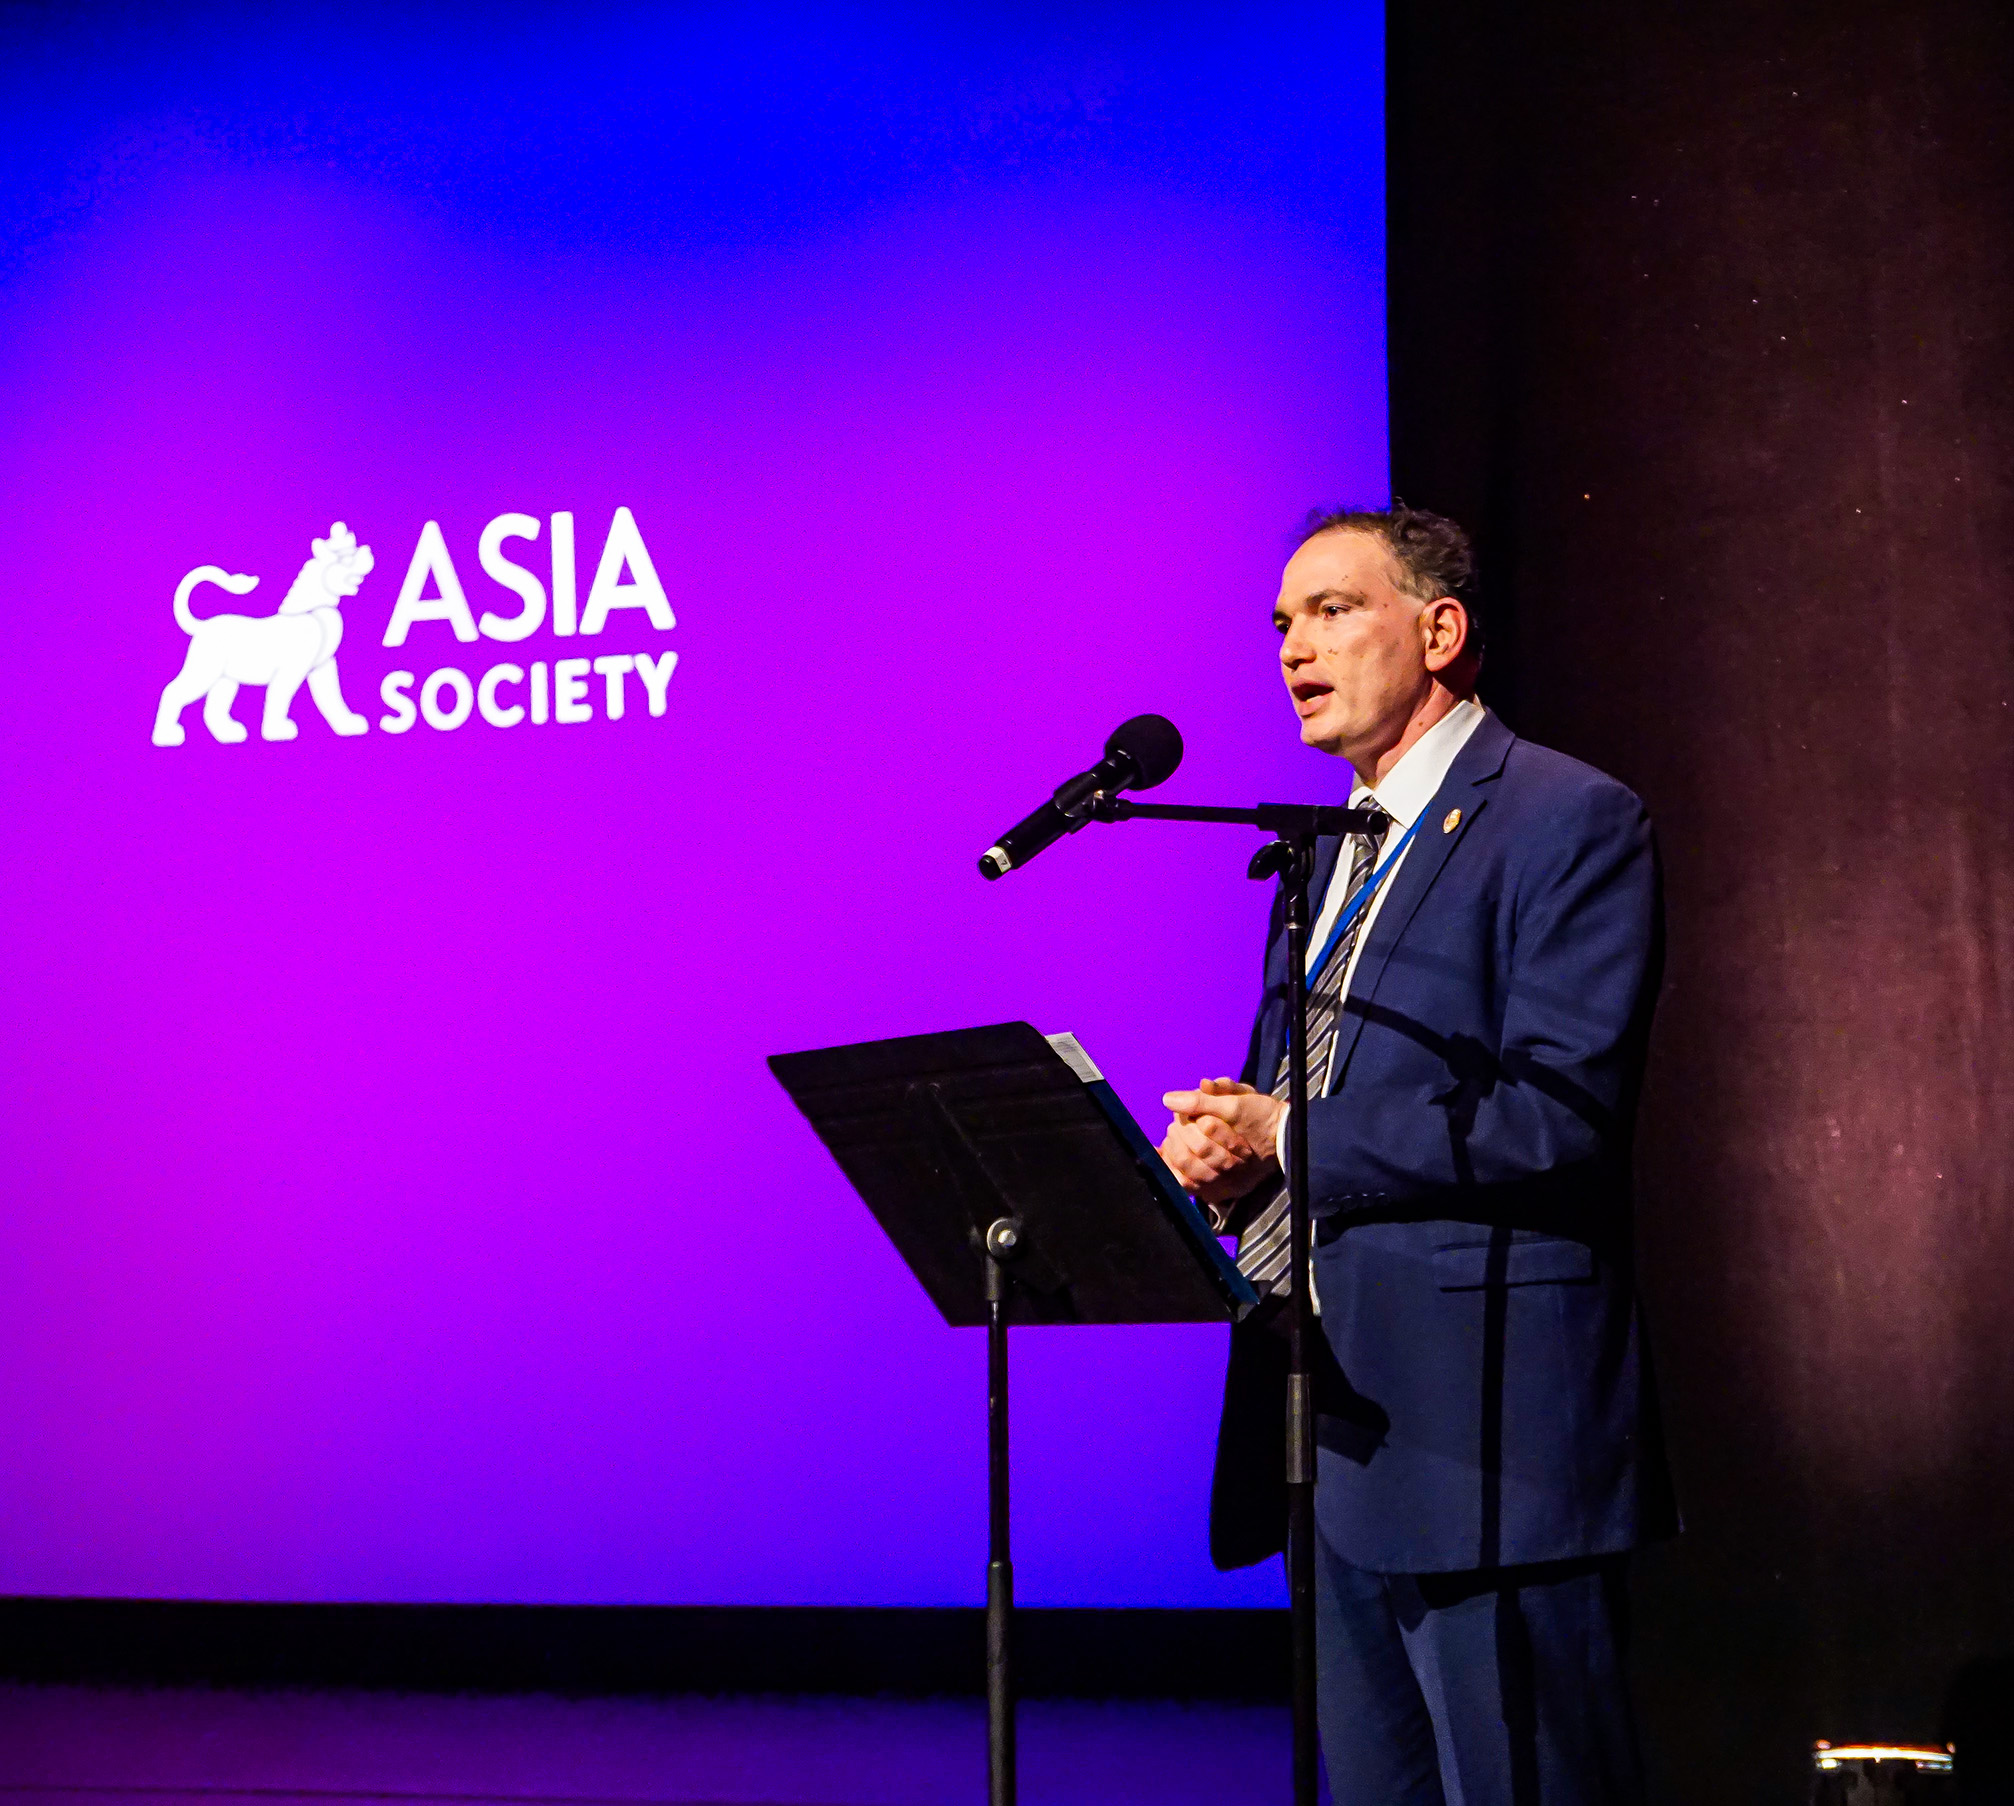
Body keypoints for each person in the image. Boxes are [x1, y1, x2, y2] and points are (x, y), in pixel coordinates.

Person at [1157, 506, 1675, 1806]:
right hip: (1329, 1423)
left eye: (1333, 609)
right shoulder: (1325, 850)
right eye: (1280, 622)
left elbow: (1553, 1113)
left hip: (1488, 1435)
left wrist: (1297, 1130)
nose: (1292, 648)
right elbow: (1317, 1100)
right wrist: (1243, 1153)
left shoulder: (1563, 816)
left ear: (1438, 630)